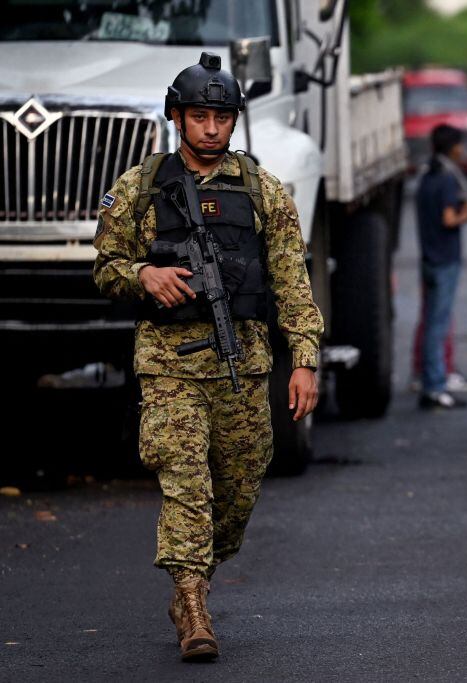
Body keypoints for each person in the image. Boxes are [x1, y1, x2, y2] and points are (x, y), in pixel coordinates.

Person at [93, 52, 323, 661]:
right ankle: (192, 604)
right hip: (169, 365)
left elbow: (291, 281)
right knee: (186, 483)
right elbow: (105, 267)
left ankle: (198, 569)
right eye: (199, 116)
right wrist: (143, 274)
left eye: (222, 117)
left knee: (238, 490)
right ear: (176, 117)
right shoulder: (141, 187)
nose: (212, 128)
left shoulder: (263, 190)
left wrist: (303, 358)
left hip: (241, 364)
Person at [416, 124, 467, 410]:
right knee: (438, 326)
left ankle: (430, 380)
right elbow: (449, 218)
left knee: (430, 322)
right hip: (445, 259)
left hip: (428, 257)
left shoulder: (427, 176)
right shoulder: (448, 178)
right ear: (453, 147)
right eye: (459, 145)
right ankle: (435, 386)